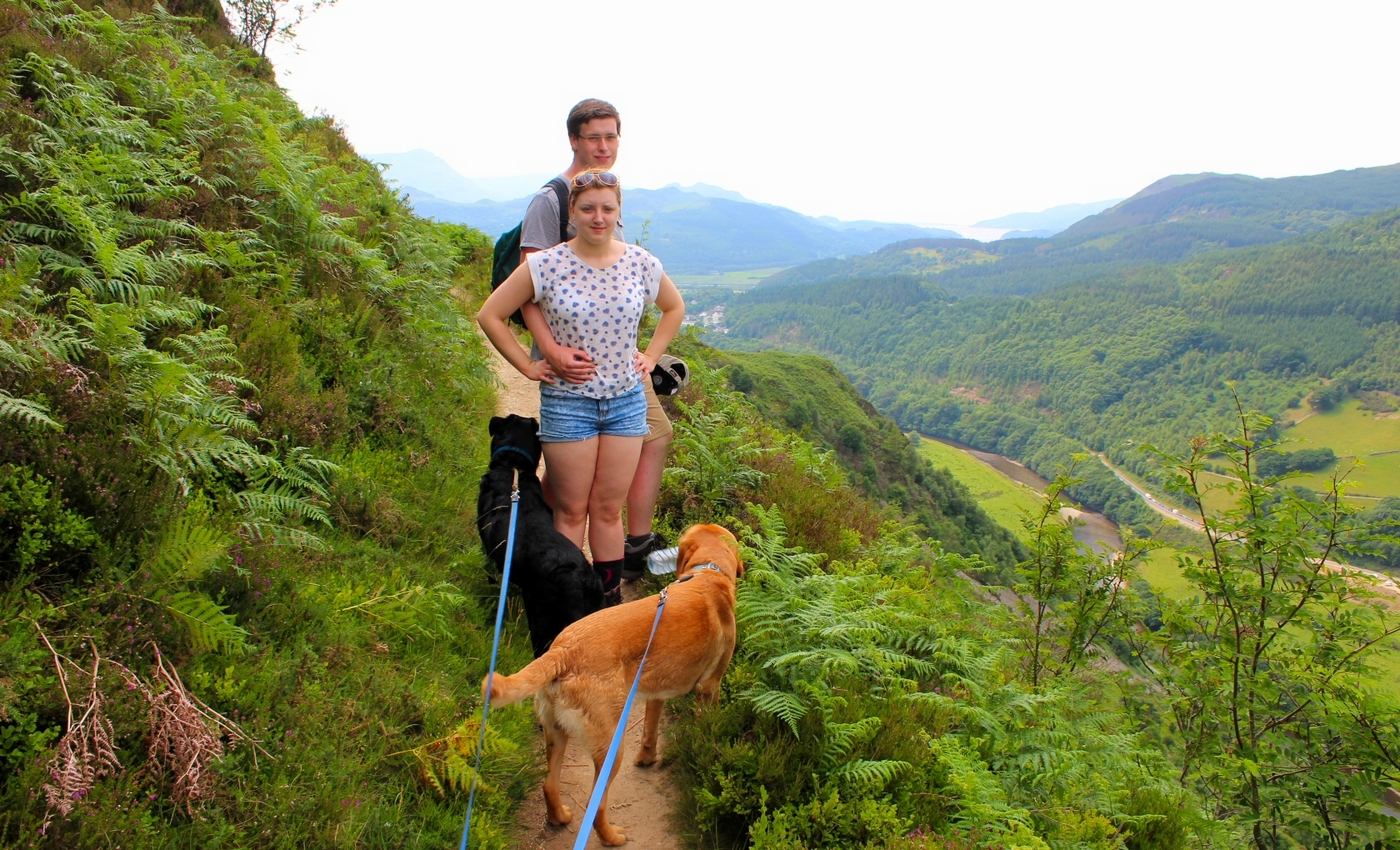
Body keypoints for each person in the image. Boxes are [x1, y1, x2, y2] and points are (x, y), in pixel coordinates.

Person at [479, 169, 685, 604]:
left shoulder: (640, 262)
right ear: (571, 212)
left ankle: (607, 602)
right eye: (588, 208)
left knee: (608, 512)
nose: (598, 217)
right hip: (568, 403)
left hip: (626, 402)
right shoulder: (546, 263)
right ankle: (566, 602)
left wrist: (649, 356)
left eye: (608, 208)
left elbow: (673, 307)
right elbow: (491, 314)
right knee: (571, 512)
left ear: (618, 212)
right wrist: (528, 366)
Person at [517, 98, 675, 582]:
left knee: (645, 445)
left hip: (616, 369)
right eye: (593, 137)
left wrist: (647, 354)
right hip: (571, 368)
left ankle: (622, 555)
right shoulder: (551, 201)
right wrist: (547, 354)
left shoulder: (609, 204)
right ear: (574, 140)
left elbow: (652, 293)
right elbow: (528, 290)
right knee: (572, 496)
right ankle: (540, 558)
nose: (603, 146)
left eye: (611, 137)